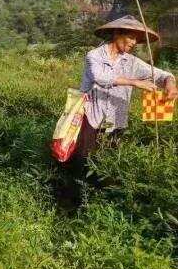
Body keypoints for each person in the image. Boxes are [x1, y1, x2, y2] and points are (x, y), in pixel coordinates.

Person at [74, 15, 177, 172]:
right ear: (117, 34)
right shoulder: (94, 55)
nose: (134, 42)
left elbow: (162, 75)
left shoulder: (132, 62)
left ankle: (105, 194)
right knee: (85, 162)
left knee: (110, 163)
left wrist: (171, 84)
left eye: (136, 39)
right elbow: (100, 78)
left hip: (117, 120)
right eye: (131, 37)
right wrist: (135, 82)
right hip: (92, 118)